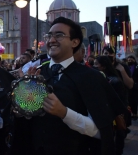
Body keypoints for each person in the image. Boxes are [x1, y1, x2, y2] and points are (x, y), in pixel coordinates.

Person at [11, 17, 126, 154]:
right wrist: (23, 96)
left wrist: (64, 113)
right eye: (49, 36)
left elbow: (100, 132)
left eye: (59, 35)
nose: (51, 40)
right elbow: (25, 118)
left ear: (75, 42)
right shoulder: (37, 73)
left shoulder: (91, 77)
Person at [94, 56, 127, 155]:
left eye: (96, 64)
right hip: (107, 115)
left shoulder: (114, 80)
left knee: (116, 140)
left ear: (103, 66)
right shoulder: (101, 78)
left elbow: (119, 101)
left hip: (114, 115)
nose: (94, 66)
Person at [127, 55, 138, 120]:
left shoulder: (136, 67)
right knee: (129, 100)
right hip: (128, 86)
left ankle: (135, 113)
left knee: (135, 100)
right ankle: (130, 113)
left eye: (131, 60)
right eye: (129, 60)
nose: (130, 61)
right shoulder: (127, 67)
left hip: (135, 86)